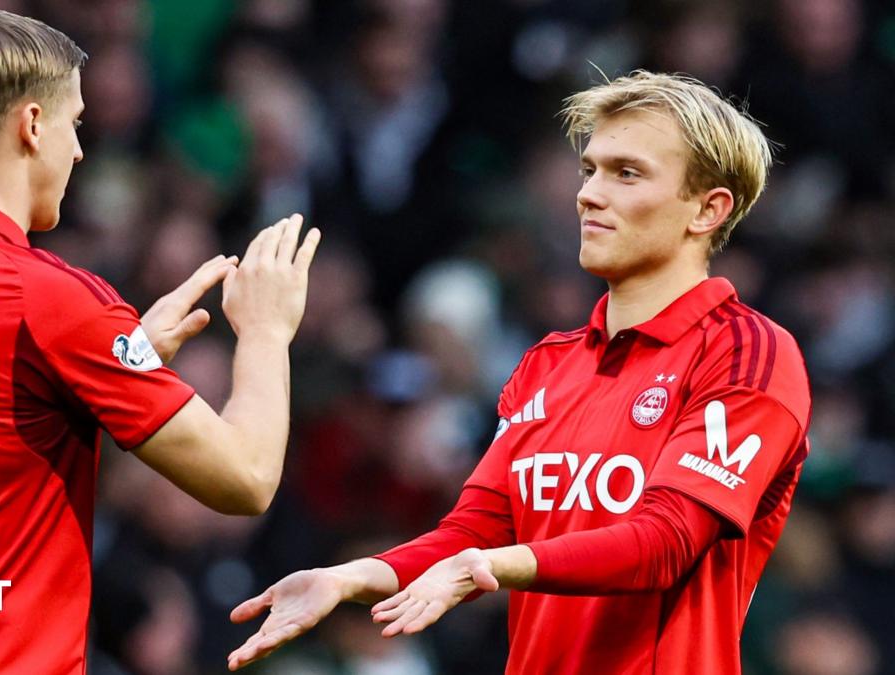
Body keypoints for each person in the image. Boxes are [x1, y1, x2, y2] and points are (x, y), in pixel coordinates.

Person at [228, 71, 811, 675]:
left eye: (627, 173)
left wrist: (497, 566)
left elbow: (667, 543)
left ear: (707, 209)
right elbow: (473, 533)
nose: (588, 194)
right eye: (590, 170)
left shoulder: (748, 352)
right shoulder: (546, 364)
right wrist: (351, 577)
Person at [0, 10, 319, 675]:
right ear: (31, 125)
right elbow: (247, 479)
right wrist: (263, 333)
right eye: (74, 123)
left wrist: (119, 360)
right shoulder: (46, 298)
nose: (79, 150)